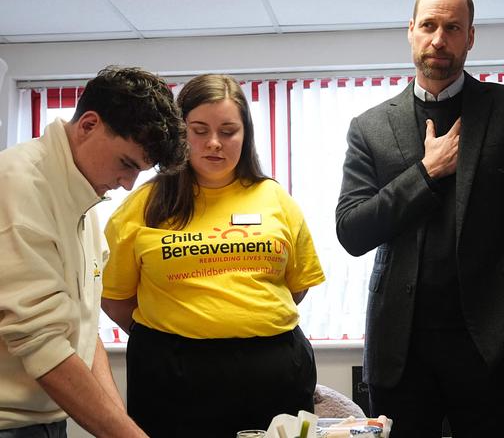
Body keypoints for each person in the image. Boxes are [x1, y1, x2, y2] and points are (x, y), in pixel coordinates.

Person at [335, 0, 504, 437]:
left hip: (488, 341)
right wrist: (425, 173)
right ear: (410, 30)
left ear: (470, 36)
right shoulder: (369, 127)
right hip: (400, 346)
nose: (439, 39)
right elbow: (352, 231)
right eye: (429, 25)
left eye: (453, 27)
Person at [101, 74, 325, 438]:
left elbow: (296, 287)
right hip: (172, 376)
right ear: (179, 132)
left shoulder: (276, 199)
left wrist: (240, 319)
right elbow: (114, 298)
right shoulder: (142, 205)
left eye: (228, 130)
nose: (214, 143)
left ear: (245, 134)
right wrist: (184, 330)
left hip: (273, 371)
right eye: (199, 130)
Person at [0, 66, 187, 437]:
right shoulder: (17, 188)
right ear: (88, 124)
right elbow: (43, 344)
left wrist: (122, 425)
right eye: (126, 164)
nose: (128, 183)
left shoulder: (82, 202)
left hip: (47, 422)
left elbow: (83, 331)